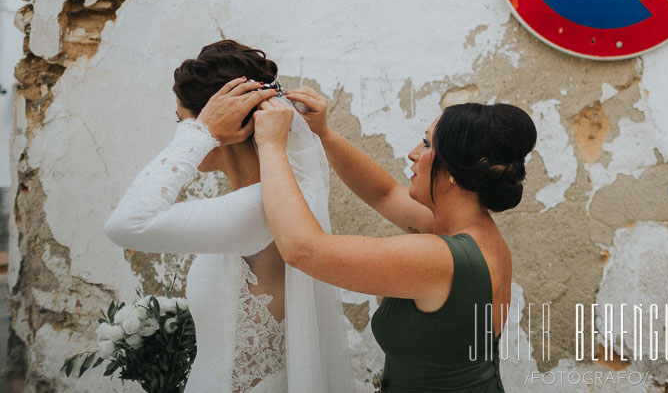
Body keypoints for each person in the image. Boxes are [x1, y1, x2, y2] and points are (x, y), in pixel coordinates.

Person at [103, 40, 354, 393]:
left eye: (182, 120)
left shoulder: (262, 207)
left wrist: (198, 133)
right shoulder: (264, 201)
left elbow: (126, 224)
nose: (183, 130)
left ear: (225, 123)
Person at [248, 88, 537, 392]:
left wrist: (270, 146)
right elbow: (384, 194)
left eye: (426, 144)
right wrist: (323, 133)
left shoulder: (440, 258)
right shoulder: (483, 238)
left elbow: (303, 250)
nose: (413, 152)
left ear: (454, 170)